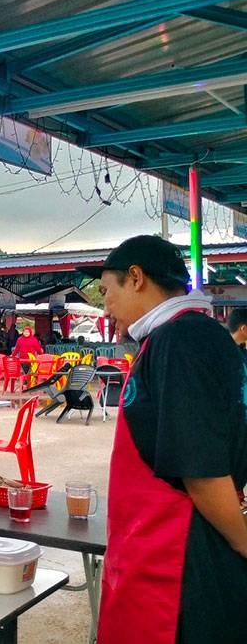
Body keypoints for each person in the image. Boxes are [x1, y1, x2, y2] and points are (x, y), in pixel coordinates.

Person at [77, 235, 247, 644]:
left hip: (180, 568)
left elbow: (202, 472)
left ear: (136, 278)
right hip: (155, 552)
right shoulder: (171, 338)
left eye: (107, 291)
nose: (106, 307)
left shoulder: (182, 340)